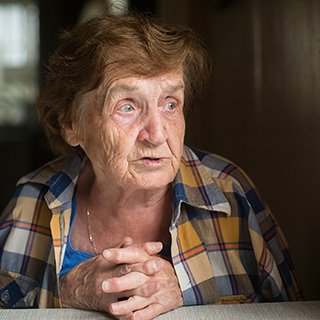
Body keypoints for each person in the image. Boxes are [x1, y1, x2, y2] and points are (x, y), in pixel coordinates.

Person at [0, 11, 302, 320]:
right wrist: (70, 290)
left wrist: (187, 291)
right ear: (70, 123)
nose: (157, 135)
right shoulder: (33, 199)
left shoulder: (231, 195)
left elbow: (295, 311)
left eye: (170, 104)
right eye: (127, 106)